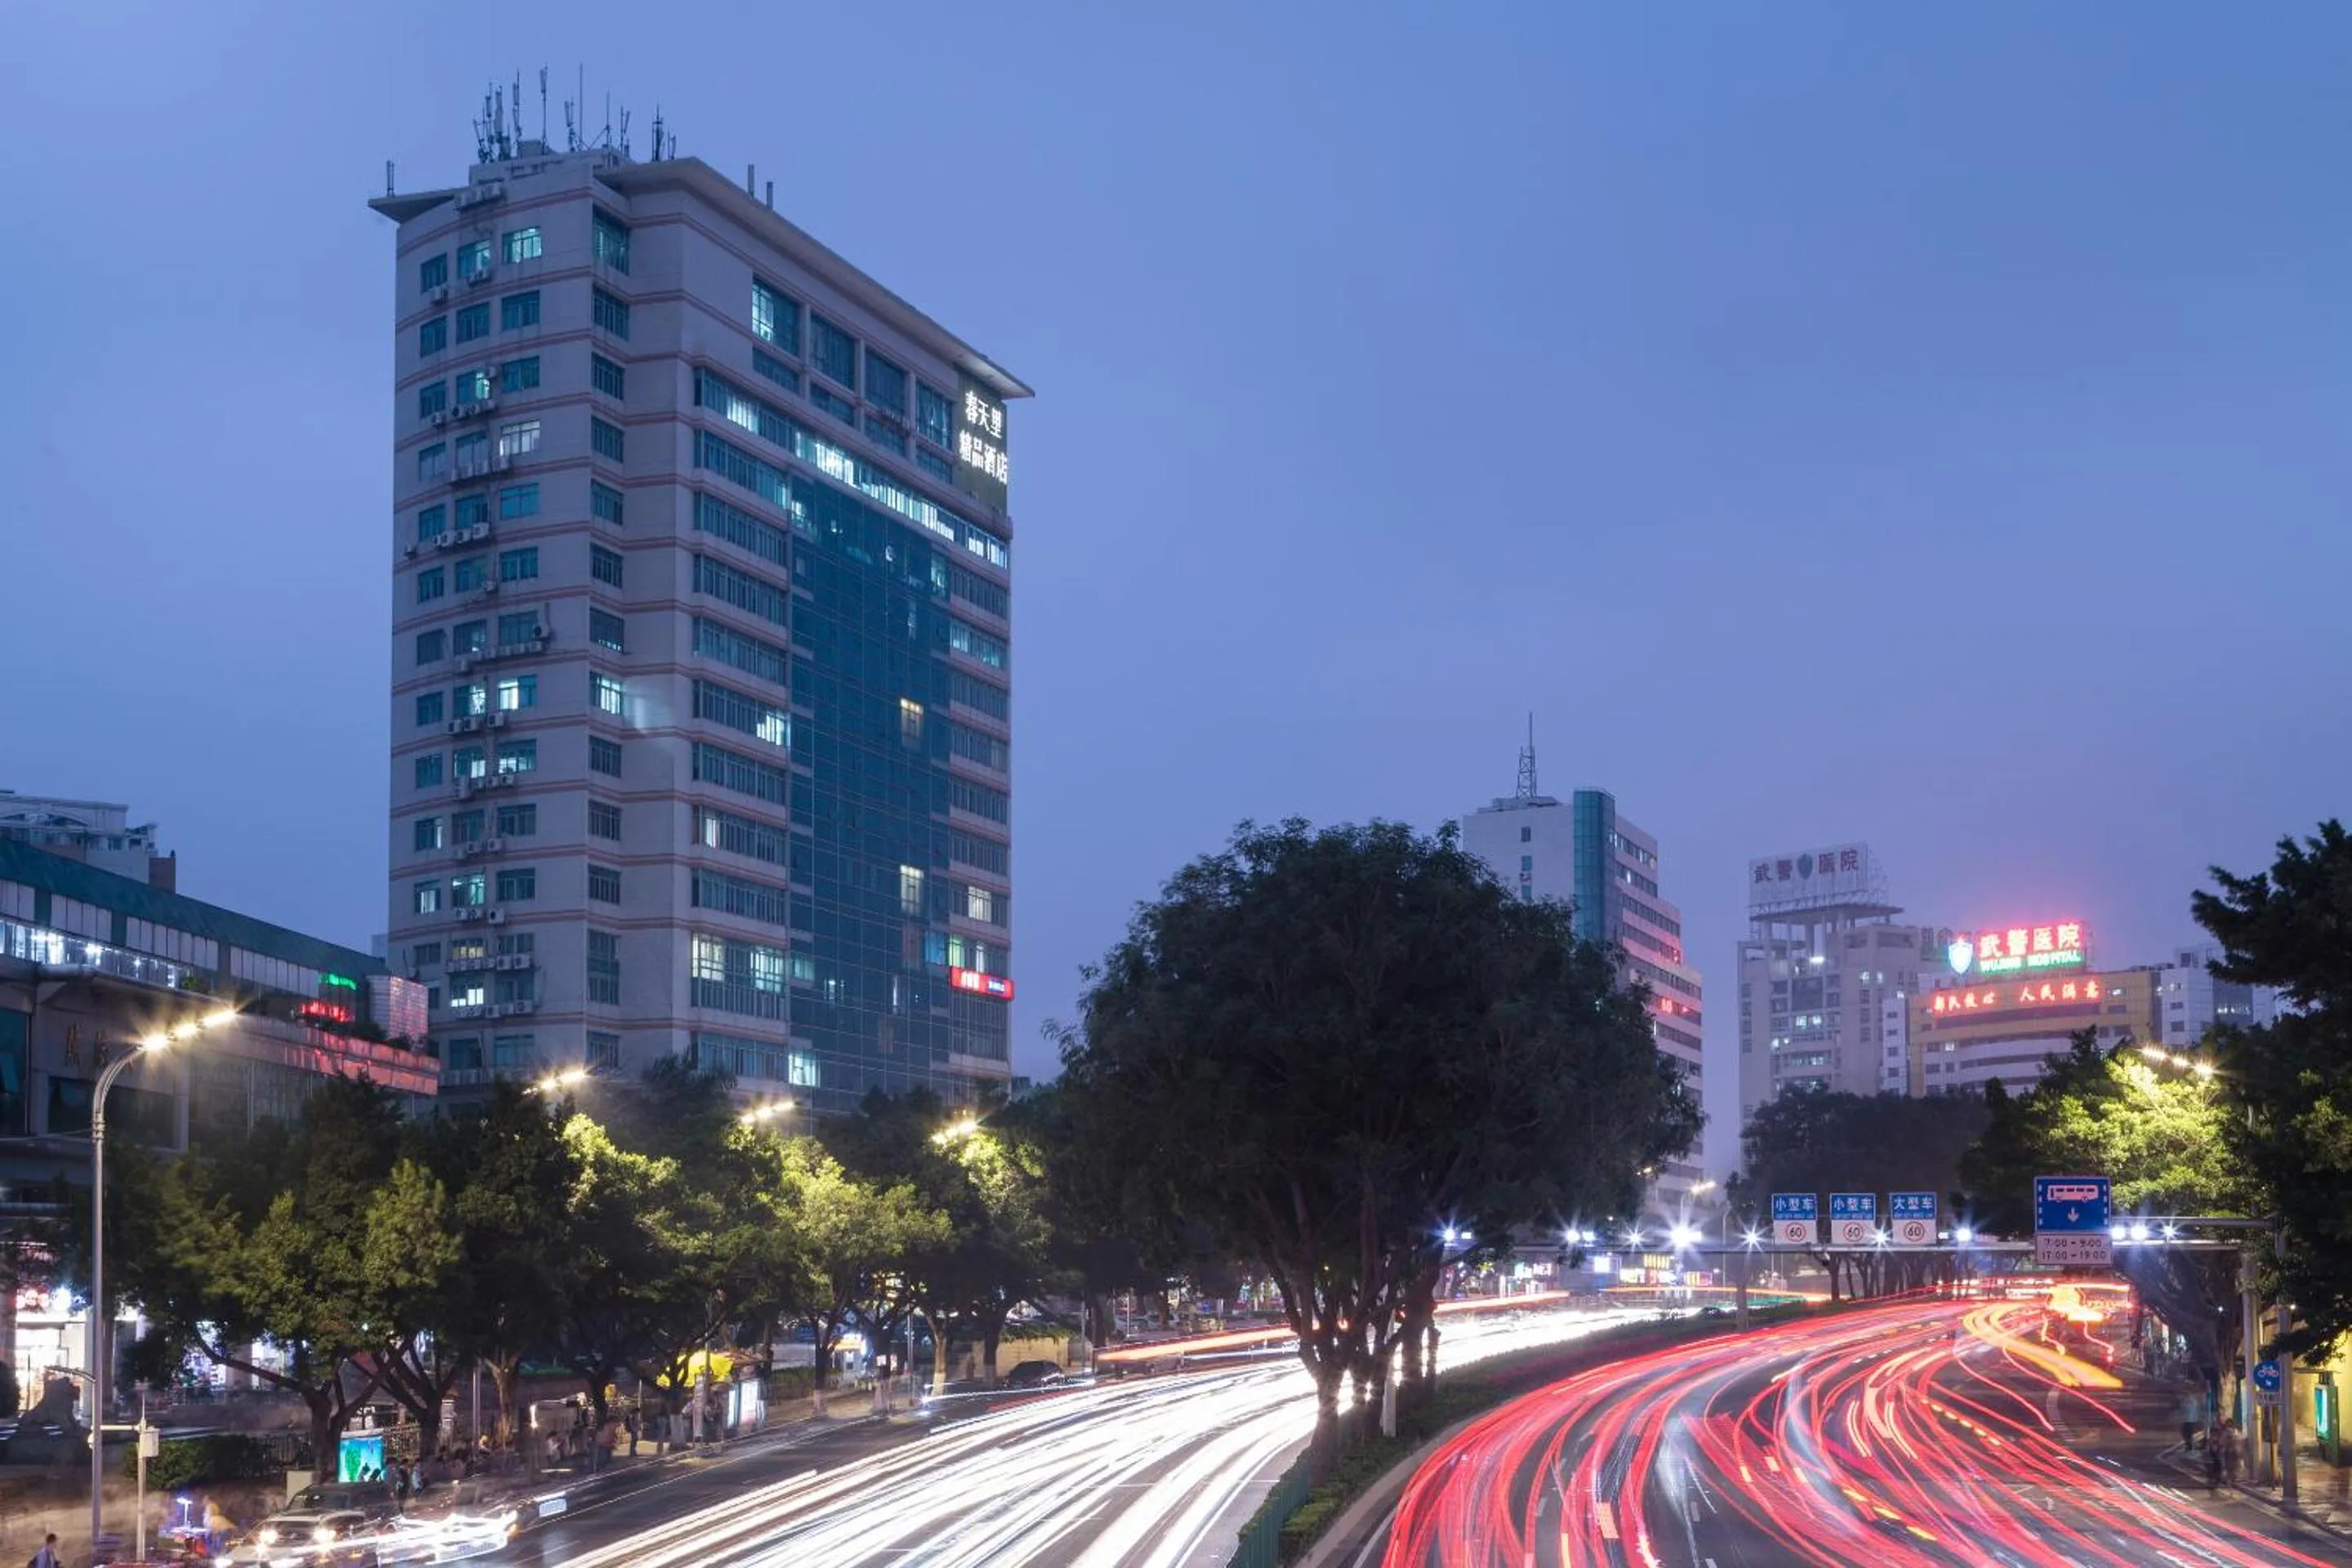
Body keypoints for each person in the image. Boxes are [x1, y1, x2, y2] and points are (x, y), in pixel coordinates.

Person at [2217, 1419, 2244, 1487]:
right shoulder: (2238, 1432)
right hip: (2237, 1452)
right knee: (2236, 1467)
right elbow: (2242, 1441)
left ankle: (2229, 1480)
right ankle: (2234, 1480)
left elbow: (2221, 1443)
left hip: (2229, 1452)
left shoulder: (2225, 1432)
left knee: (2227, 1466)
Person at [2180, 1386, 2204, 1451]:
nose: (2186, 1397)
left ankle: (2190, 1445)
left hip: (2189, 1421)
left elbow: (2184, 1410)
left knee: (2188, 1434)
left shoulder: (2190, 1403)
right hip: (2189, 1420)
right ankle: (2189, 1445)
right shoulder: (2193, 1403)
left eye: (2187, 1396)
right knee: (2187, 1434)